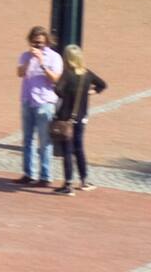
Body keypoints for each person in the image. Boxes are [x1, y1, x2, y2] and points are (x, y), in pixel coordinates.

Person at [52, 44, 105, 194]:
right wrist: (88, 92)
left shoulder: (67, 74)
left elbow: (58, 90)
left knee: (67, 150)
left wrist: (68, 95)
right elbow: (102, 85)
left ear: (67, 59)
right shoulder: (87, 74)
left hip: (66, 118)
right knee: (79, 148)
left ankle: (68, 184)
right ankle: (84, 181)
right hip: (81, 117)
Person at [16, 25, 62, 187]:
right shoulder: (25, 56)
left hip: (45, 103)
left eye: (40, 43)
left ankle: (45, 176)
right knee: (27, 139)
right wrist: (30, 60)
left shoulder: (54, 57)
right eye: (35, 42)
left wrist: (42, 63)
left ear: (46, 42)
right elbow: (20, 73)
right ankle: (28, 173)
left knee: (44, 141)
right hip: (27, 100)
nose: (37, 46)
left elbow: (55, 79)